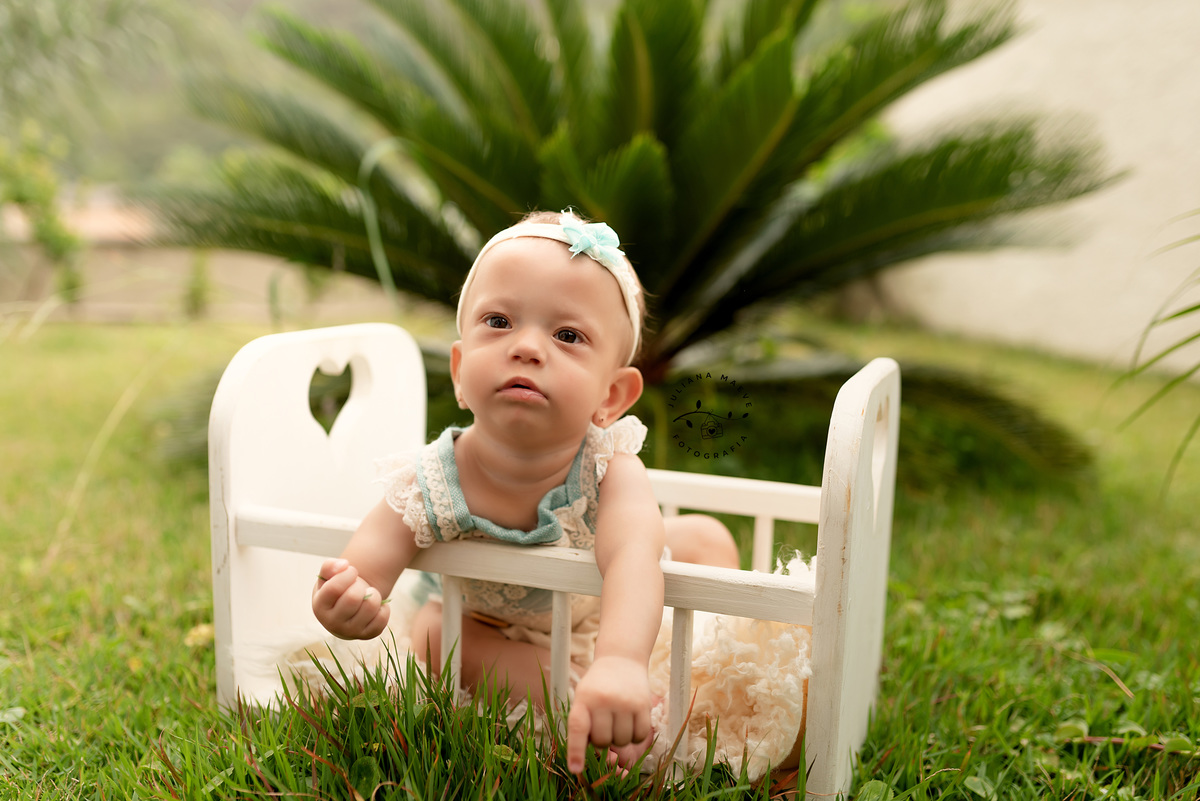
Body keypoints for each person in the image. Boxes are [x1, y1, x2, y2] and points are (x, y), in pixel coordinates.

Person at [310, 209, 740, 775]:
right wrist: (347, 600)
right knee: (438, 634)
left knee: (706, 538)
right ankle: (573, 693)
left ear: (611, 397)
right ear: (460, 372)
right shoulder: (433, 478)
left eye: (568, 335)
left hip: (595, 615)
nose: (528, 347)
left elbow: (633, 555)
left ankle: (671, 667)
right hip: (482, 627)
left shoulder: (611, 464)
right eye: (499, 321)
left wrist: (621, 660)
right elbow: (366, 565)